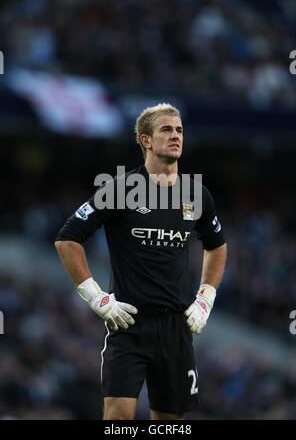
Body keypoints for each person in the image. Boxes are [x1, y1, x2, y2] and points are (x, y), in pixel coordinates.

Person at [55, 103, 227, 420]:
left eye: (179, 130)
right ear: (145, 140)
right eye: (166, 130)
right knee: (118, 417)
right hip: (129, 325)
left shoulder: (197, 194)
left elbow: (217, 246)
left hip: (177, 327)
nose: (176, 136)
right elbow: (67, 240)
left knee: (170, 422)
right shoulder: (119, 189)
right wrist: (96, 298)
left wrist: (206, 297)